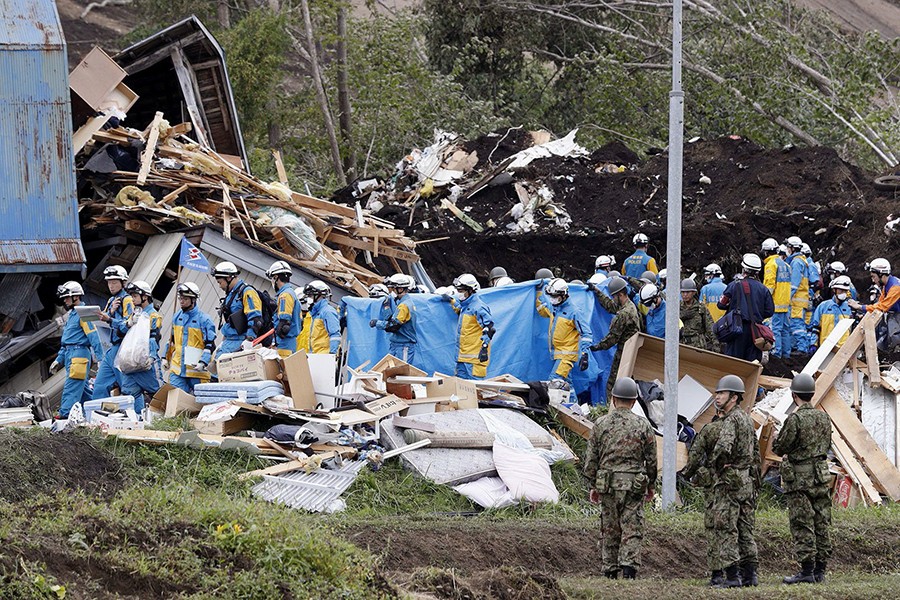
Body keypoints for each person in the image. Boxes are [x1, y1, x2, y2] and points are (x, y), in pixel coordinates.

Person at [583, 377, 656, 580]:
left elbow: (591, 460)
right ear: (634, 401)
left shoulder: (600, 424)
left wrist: (593, 485)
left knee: (610, 527)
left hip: (606, 484)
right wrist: (651, 484)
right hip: (634, 485)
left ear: (613, 399)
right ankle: (629, 571)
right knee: (632, 527)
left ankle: (610, 570)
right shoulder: (643, 425)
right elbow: (651, 459)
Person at [772, 373, 832, 584]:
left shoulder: (795, 419)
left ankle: (806, 570)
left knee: (802, 522)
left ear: (794, 395)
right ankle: (820, 571)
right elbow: (827, 445)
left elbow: (780, 447)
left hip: (800, 478)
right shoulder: (824, 417)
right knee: (821, 521)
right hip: (821, 476)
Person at [708, 375, 760, 588]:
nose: (717, 396)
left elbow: (722, 448)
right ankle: (750, 576)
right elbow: (756, 452)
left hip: (730, 481)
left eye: (722, 393)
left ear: (734, 397)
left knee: (726, 527)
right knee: (745, 527)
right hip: (746, 479)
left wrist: (717, 466)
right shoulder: (747, 419)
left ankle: (731, 577)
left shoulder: (730, 420)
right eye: (718, 392)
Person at [678, 413, 726, 586]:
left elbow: (696, 456)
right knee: (735, 526)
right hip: (738, 485)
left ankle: (717, 574)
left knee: (713, 526)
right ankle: (742, 572)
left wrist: (686, 476)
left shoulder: (710, 430)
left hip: (714, 485)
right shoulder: (742, 426)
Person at [51, 282, 104, 418]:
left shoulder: (85, 312)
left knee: (72, 385)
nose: (65, 300)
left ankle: (65, 414)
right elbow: (66, 342)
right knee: (84, 389)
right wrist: (58, 360)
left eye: (67, 297)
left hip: (79, 354)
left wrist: (100, 358)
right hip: (71, 354)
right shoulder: (72, 314)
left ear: (76, 297)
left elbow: (94, 336)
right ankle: (96, 413)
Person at [589, 276, 640, 399]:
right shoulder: (628, 306)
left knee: (613, 384)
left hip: (625, 353)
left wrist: (595, 347)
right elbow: (610, 306)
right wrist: (597, 291)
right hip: (629, 350)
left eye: (614, 296)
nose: (612, 298)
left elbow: (612, 338)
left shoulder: (624, 313)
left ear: (620, 294)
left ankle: (611, 409)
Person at [716, 254, 775, 362]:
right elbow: (769, 311)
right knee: (752, 364)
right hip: (755, 332)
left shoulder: (734, 285)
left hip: (736, 329)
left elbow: (721, 305)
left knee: (734, 363)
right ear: (757, 271)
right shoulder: (764, 289)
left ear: (744, 269)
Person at [117, 281, 163, 413]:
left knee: (157, 392)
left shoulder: (153, 316)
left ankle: (164, 420)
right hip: (130, 362)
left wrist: (152, 357)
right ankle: (136, 419)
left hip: (146, 361)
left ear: (145, 296)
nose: (132, 298)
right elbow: (120, 331)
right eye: (131, 296)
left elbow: (154, 338)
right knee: (130, 393)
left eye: (135, 295)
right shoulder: (134, 315)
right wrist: (129, 323)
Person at [536, 278, 592, 385]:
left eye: (554, 296)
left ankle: (555, 402)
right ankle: (573, 401)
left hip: (567, 356)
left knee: (555, 380)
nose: (552, 299)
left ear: (564, 295)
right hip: (558, 354)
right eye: (551, 296)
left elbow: (586, 334)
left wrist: (585, 354)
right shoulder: (554, 308)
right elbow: (542, 310)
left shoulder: (574, 312)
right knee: (566, 384)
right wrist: (538, 292)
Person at [165, 283, 216, 393]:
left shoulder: (204, 320)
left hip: (197, 370)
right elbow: (172, 341)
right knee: (176, 401)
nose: (181, 301)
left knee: (201, 402)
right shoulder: (177, 317)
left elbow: (210, 345)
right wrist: (165, 358)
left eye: (185, 299)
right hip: (178, 370)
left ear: (193, 300)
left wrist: (203, 362)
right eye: (180, 298)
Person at [93, 265, 135, 399]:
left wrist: (110, 318)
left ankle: (139, 415)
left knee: (128, 386)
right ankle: (97, 415)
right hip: (112, 348)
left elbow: (130, 324)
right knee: (100, 385)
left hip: (123, 348)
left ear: (123, 283)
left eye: (114, 282)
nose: (111, 286)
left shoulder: (128, 299)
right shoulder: (111, 300)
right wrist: (110, 313)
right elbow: (103, 317)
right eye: (109, 282)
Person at [444, 274, 495, 379]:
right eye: (458, 290)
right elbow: (460, 311)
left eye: (461, 291)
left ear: (470, 290)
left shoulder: (478, 307)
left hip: (474, 361)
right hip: (462, 358)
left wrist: (484, 348)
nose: (459, 294)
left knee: (475, 391)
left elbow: (489, 327)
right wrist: (451, 301)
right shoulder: (465, 306)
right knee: (461, 389)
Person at [213, 261, 263, 358]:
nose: (219, 286)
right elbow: (229, 322)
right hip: (229, 342)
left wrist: (249, 340)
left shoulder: (247, 292)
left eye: (220, 282)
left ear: (228, 278)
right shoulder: (230, 295)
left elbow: (255, 319)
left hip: (240, 343)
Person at [371, 273, 417, 363]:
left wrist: (377, 323)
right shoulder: (402, 303)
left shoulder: (404, 306)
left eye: (393, 289)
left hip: (403, 346)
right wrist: (386, 308)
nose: (392, 291)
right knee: (393, 373)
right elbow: (392, 319)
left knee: (402, 374)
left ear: (400, 289)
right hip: (397, 345)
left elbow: (393, 326)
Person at [265, 261, 302, 358]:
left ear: (276, 277)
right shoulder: (291, 293)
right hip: (290, 343)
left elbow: (284, 325)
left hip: (285, 345)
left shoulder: (285, 295)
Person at [762, 238, 792, 357]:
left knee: (775, 330)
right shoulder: (786, 265)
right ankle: (786, 354)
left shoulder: (771, 264)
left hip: (775, 303)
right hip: (785, 303)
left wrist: (763, 301)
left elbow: (769, 286)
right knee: (785, 330)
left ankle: (776, 354)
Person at [808, 276, 853, 352]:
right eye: (841, 290)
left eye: (845, 291)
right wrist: (813, 344)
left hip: (843, 351)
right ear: (834, 290)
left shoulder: (850, 308)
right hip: (825, 349)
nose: (843, 293)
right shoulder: (823, 307)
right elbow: (815, 327)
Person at [786, 236, 812, 354]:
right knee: (795, 324)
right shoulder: (801, 261)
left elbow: (794, 284)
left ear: (792, 248)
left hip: (797, 300)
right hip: (800, 299)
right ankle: (796, 347)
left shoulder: (796, 262)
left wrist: (787, 298)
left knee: (797, 324)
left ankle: (802, 348)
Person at [680, 278, 717, 351]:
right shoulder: (677, 308)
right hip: (682, 344)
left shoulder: (700, 308)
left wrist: (716, 343)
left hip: (698, 345)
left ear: (694, 293)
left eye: (688, 292)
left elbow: (710, 327)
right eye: (683, 292)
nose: (685, 295)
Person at [305, 280, 341, 354]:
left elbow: (335, 335)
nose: (309, 298)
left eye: (310, 295)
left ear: (319, 295)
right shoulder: (316, 313)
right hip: (316, 355)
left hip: (324, 356)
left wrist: (332, 354)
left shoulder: (328, 312)